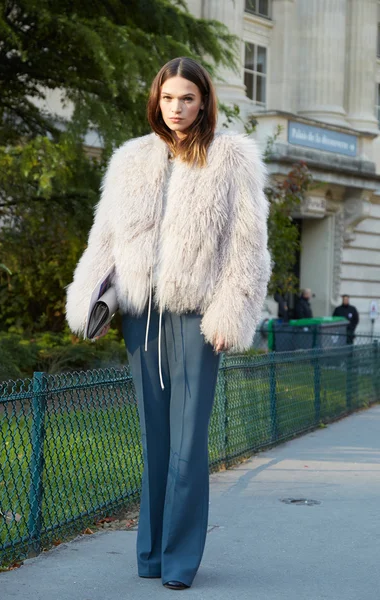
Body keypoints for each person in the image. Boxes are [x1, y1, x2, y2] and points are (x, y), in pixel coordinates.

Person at [65, 57, 270, 591]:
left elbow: (246, 246)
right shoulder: (131, 158)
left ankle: (179, 561)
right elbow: (104, 239)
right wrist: (89, 301)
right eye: (168, 98)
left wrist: (231, 311)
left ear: (204, 102)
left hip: (199, 318)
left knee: (187, 442)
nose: (176, 108)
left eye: (187, 98)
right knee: (155, 439)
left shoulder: (231, 158)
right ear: (155, 100)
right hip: (140, 316)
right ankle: (151, 553)